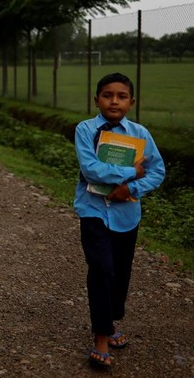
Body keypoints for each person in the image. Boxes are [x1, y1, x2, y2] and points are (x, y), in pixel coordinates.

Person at [74, 73, 165, 368]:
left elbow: (157, 171)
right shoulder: (85, 130)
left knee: (121, 273)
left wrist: (132, 188)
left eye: (121, 96)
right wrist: (130, 173)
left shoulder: (140, 134)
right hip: (93, 211)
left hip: (127, 215)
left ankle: (111, 323)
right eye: (107, 95)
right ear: (96, 99)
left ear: (131, 102)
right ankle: (101, 336)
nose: (114, 101)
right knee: (101, 269)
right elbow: (90, 169)